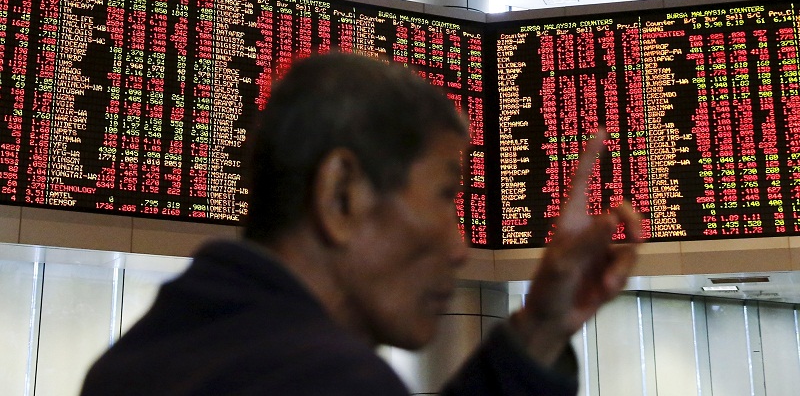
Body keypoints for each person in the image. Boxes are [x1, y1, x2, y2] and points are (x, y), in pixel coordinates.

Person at [80, 52, 641, 395]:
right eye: (445, 194)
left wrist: (541, 325)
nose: (459, 247)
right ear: (341, 194)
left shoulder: (134, 362)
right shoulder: (328, 380)